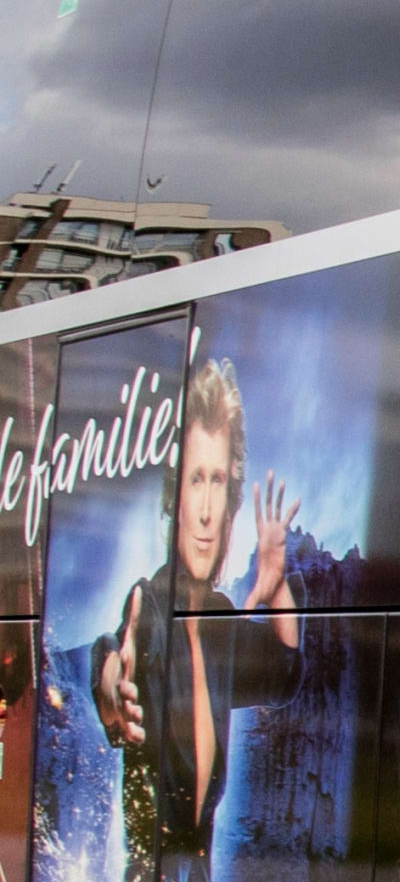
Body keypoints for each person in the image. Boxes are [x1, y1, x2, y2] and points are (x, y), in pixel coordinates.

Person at [96, 354, 303, 850]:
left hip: (201, 863)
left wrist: (275, 587)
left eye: (218, 482)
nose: (208, 513)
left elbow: (285, 676)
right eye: (195, 480)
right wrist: (110, 690)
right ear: (175, 498)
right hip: (150, 866)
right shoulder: (147, 604)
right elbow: (111, 660)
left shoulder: (218, 617)